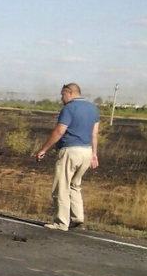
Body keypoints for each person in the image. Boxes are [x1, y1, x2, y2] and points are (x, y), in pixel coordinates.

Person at [34, 82, 99, 231]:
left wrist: (44, 149)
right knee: (75, 185)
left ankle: (61, 222)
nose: (61, 98)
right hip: (87, 151)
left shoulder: (69, 108)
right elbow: (94, 133)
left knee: (61, 186)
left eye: (63, 95)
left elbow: (59, 131)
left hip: (70, 150)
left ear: (70, 93)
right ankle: (77, 217)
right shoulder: (93, 108)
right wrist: (94, 154)